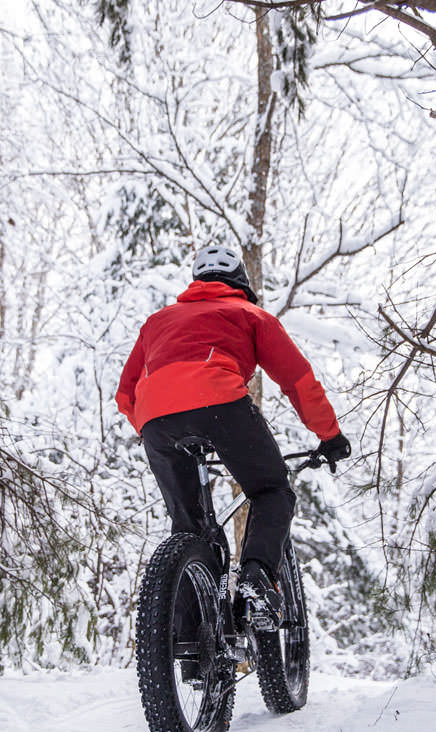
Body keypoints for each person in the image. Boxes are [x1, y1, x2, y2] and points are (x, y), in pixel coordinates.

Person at [116, 245, 350, 630]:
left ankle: (189, 643)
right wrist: (329, 434)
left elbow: (125, 394)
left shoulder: (157, 321)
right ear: (240, 282)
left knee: (188, 527)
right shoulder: (250, 315)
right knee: (272, 491)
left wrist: (153, 424)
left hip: (156, 420)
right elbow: (297, 380)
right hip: (221, 405)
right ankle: (257, 581)